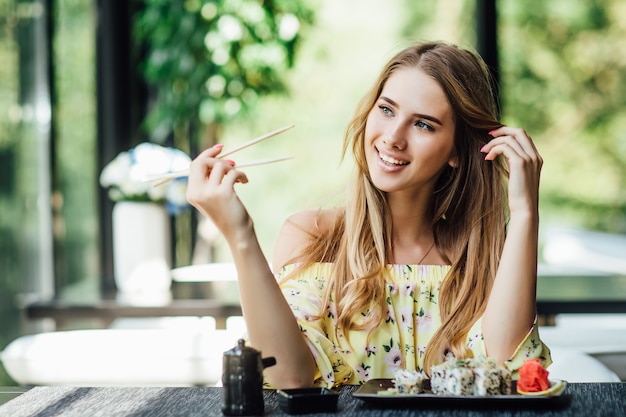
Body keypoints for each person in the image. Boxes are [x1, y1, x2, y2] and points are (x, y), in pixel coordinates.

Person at [186, 41, 552, 389]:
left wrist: (524, 213)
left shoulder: (482, 259)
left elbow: (508, 369)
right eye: (387, 109)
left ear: (456, 151)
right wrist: (240, 235)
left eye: (423, 124)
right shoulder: (314, 237)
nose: (393, 136)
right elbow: (289, 376)